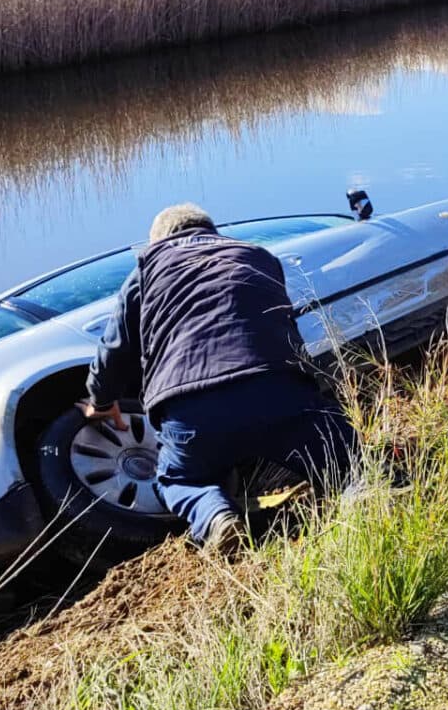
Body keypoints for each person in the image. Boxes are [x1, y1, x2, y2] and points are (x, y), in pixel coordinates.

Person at [80, 203, 356, 550]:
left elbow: (114, 349)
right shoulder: (256, 254)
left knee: (179, 478)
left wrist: (100, 401)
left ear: (157, 242)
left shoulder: (147, 269)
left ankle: (215, 517)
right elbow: (280, 323)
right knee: (343, 458)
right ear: (211, 230)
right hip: (276, 389)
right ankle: (365, 494)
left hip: (191, 408)